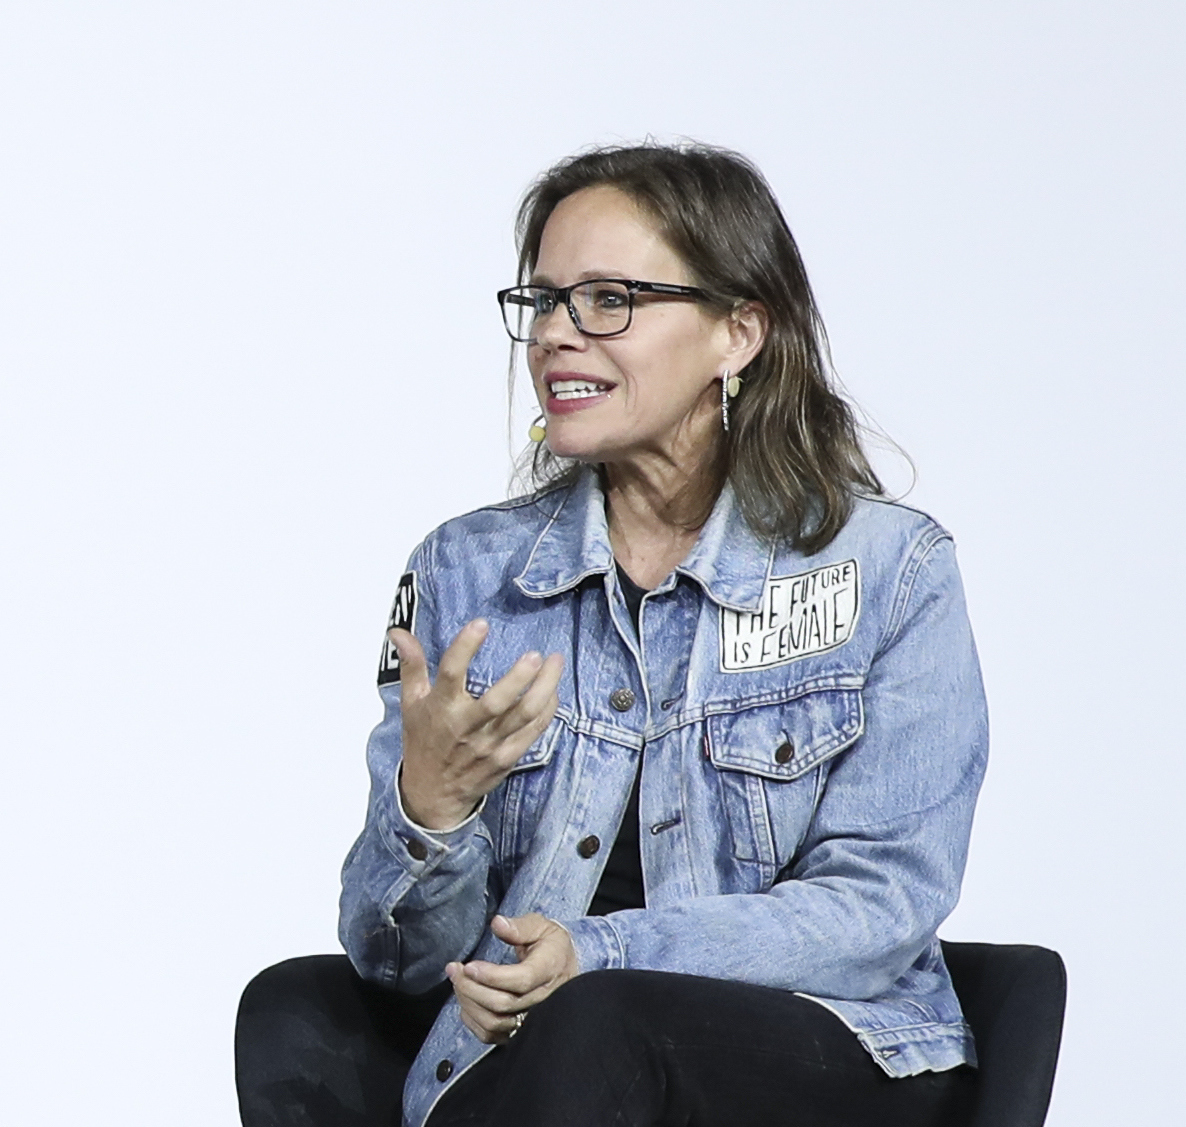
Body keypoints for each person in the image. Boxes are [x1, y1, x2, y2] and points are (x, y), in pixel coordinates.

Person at [236, 142, 989, 1127]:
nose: (556, 334)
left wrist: (598, 953)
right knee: (292, 1012)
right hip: (554, 1054)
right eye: (544, 301)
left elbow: (879, 909)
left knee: (601, 1021)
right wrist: (432, 807)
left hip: (819, 1045)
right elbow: (398, 963)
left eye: (607, 299)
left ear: (738, 330)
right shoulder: (467, 571)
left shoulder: (890, 569)